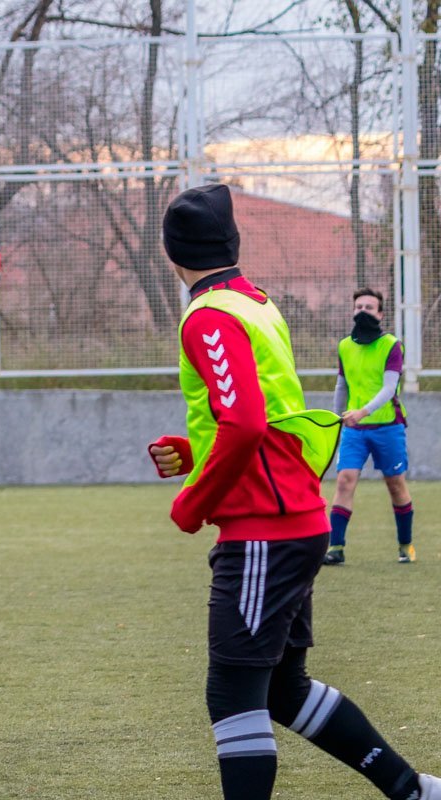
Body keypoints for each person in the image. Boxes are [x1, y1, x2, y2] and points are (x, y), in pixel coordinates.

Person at [147, 184, 437, 800]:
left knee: (232, 692)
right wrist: (198, 452)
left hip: (264, 527)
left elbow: (248, 422)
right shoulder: (253, 301)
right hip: (292, 514)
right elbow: (267, 416)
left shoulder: (209, 316)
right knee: (283, 689)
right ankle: (416, 791)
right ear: (232, 246)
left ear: (172, 253)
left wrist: (193, 501)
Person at [323, 288, 414, 565]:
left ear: (381, 314)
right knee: (344, 481)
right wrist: (338, 417)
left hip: (387, 426)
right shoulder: (344, 346)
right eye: (359, 306)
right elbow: (342, 384)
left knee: (396, 485)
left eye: (369, 307)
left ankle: (405, 544)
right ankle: (335, 548)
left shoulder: (391, 345)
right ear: (353, 311)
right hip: (354, 429)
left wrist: (363, 411)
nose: (363, 311)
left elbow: (389, 388)